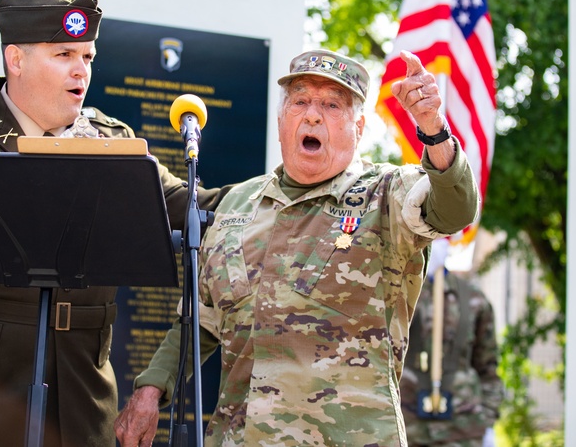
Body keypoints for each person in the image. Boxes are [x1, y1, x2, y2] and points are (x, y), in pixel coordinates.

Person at [0, 0, 229, 447]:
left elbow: (200, 207)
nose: (82, 70)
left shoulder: (111, 144)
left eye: (88, 56)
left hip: (82, 413)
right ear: (15, 59)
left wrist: (289, 188)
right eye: (63, 54)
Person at [115, 47, 480, 447]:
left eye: (331, 105)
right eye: (301, 101)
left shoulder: (387, 194)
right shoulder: (238, 204)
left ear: (358, 128)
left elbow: (453, 210)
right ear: (281, 120)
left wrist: (433, 129)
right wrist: (151, 389)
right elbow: (202, 322)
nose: (312, 114)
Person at [401, 240, 503, 447]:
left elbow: (488, 367)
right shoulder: (398, 293)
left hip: (462, 427)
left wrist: (488, 422)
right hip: (407, 425)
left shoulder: (474, 299)